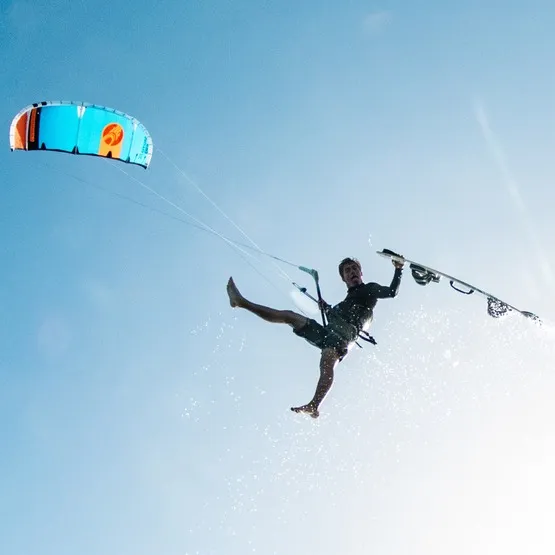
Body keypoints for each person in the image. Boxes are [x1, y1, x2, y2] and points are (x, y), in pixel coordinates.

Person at [226, 254, 405, 419]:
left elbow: (391, 292)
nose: (352, 272)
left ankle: (314, 405)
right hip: (327, 334)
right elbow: (337, 316)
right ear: (343, 278)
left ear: (361, 272)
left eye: (354, 269)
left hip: (343, 337)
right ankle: (241, 302)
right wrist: (327, 309)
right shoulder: (344, 302)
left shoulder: (369, 289)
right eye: (347, 270)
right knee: (289, 316)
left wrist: (398, 269)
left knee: (327, 363)